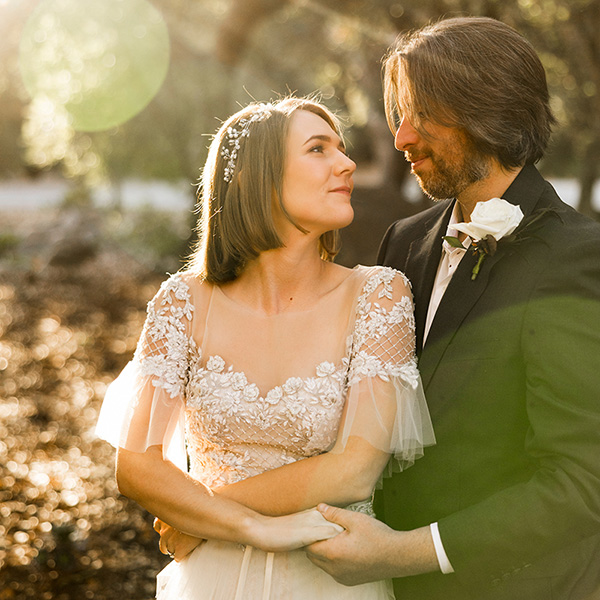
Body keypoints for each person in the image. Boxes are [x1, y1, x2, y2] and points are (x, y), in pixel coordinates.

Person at [305, 16, 600, 600]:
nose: (401, 138)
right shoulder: (404, 240)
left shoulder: (577, 258)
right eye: (398, 115)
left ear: (489, 109)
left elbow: (580, 482)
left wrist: (407, 552)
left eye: (422, 115)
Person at [96, 96, 435, 599]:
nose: (346, 164)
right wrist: (252, 527)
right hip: (209, 579)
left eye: (341, 149)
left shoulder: (378, 295)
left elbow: (355, 470)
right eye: (318, 149)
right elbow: (136, 467)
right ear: (261, 177)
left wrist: (202, 513)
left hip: (330, 578)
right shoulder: (182, 302)